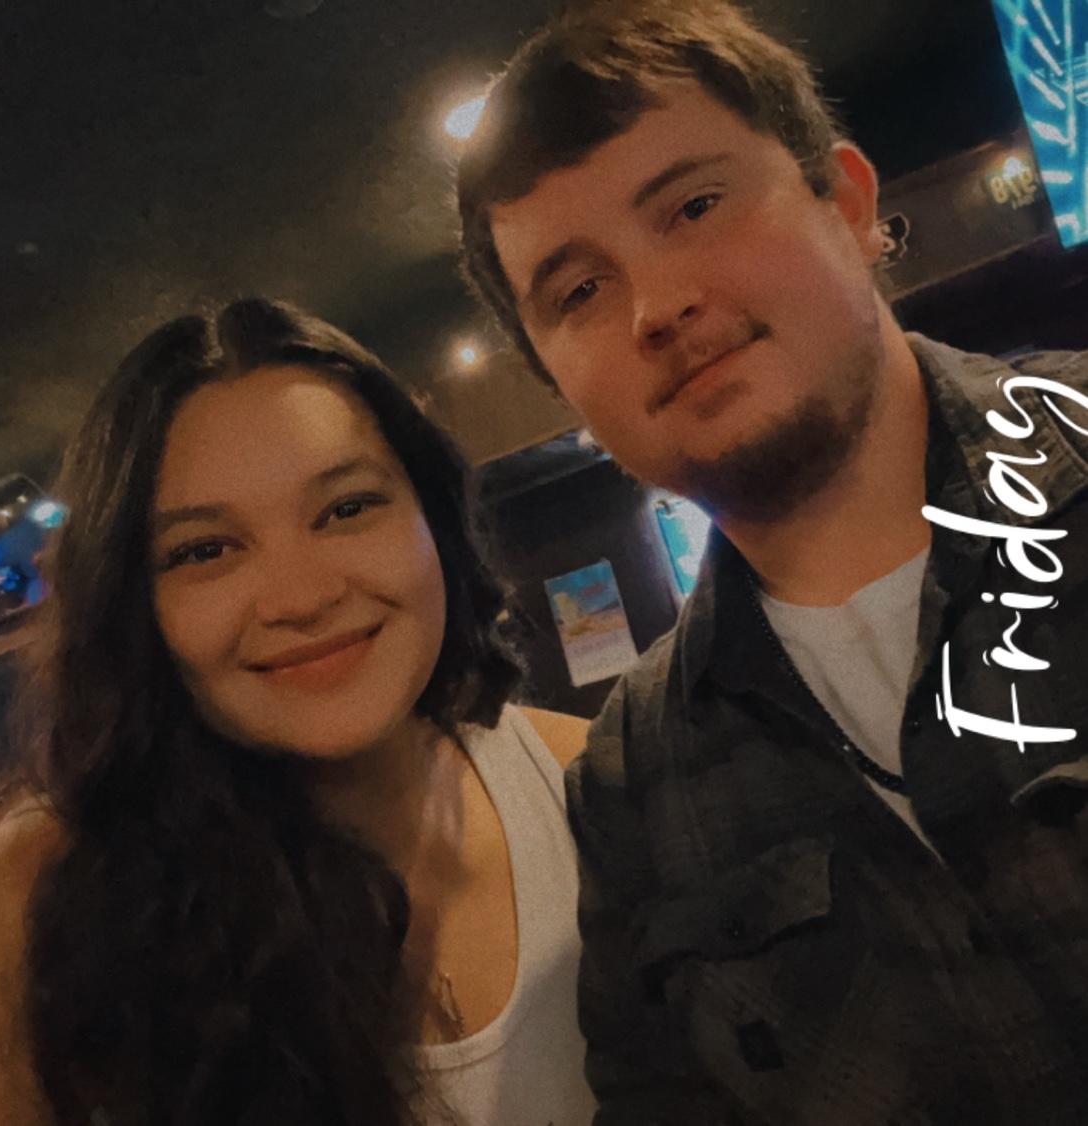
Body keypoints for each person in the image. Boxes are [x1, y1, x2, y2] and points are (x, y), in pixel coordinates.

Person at [456, 2, 1088, 1123]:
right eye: (579, 291)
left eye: (695, 206)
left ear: (846, 201)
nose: (657, 307)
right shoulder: (630, 782)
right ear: (559, 384)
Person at [0, 298, 597, 1126]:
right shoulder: (20, 914)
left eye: (347, 508)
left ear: (433, 519)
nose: (302, 597)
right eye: (205, 550)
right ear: (132, 603)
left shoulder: (600, 787)